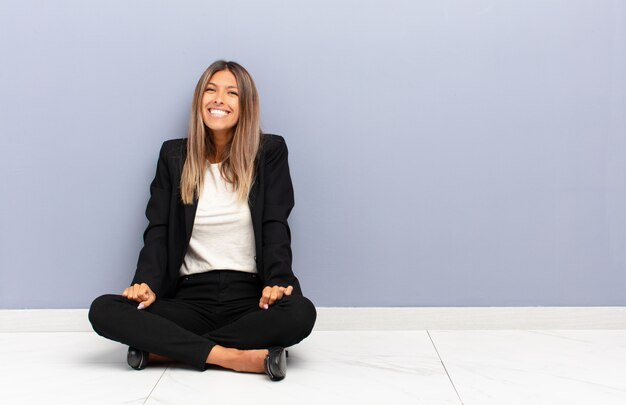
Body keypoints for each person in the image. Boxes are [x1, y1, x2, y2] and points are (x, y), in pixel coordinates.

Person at [88, 60, 316, 381]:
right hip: (189, 300)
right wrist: (146, 284)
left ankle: (166, 350)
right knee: (104, 310)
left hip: (248, 298)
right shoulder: (174, 156)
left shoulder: (268, 152)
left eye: (231, 93)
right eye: (211, 90)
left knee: (300, 313)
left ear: (246, 105)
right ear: (200, 100)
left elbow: (275, 223)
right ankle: (234, 357)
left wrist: (277, 282)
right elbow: (158, 230)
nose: (219, 99)